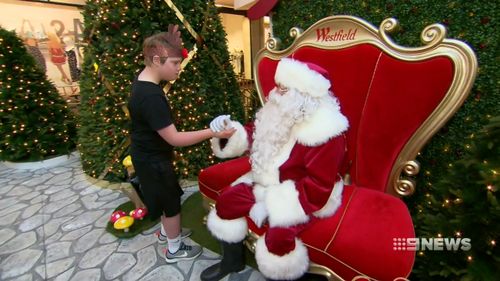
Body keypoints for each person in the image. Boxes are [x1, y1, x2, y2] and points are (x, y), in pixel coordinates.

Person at [201, 58, 349, 281]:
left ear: (304, 95)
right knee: (226, 202)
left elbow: (318, 186)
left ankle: (284, 276)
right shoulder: (278, 111)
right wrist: (230, 132)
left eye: (284, 88)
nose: (276, 93)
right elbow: (255, 133)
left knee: (278, 239)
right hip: (266, 182)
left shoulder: (326, 133)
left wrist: (269, 206)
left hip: (301, 196)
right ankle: (231, 261)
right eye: (277, 85)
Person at [128, 24, 235, 263]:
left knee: (168, 194)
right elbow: (174, 139)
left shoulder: (143, 82)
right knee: (171, 202)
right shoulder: (151, 96)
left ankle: (167, 233)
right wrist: (212, 132)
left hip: (148, 155)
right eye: (175, 63)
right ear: (156, 60)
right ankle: (174, 248)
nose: (179, 68)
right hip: (152, 159)